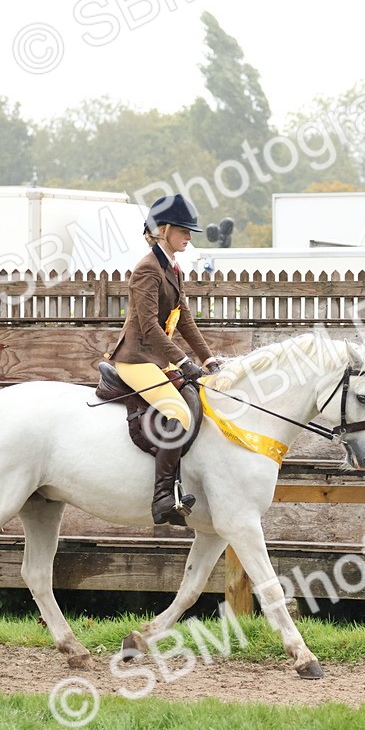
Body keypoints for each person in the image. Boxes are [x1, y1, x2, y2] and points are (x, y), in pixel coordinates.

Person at [108, 194, 223, 526]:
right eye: (184, 230)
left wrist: (209, 358)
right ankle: (161, 498)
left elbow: (184, 320)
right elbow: (148, 327)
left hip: (157, 359)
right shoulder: (147, 270)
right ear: (164, 230)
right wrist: (184, 361)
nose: (189, 236)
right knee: (178, 413)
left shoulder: (172, 268)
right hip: (136, 359)